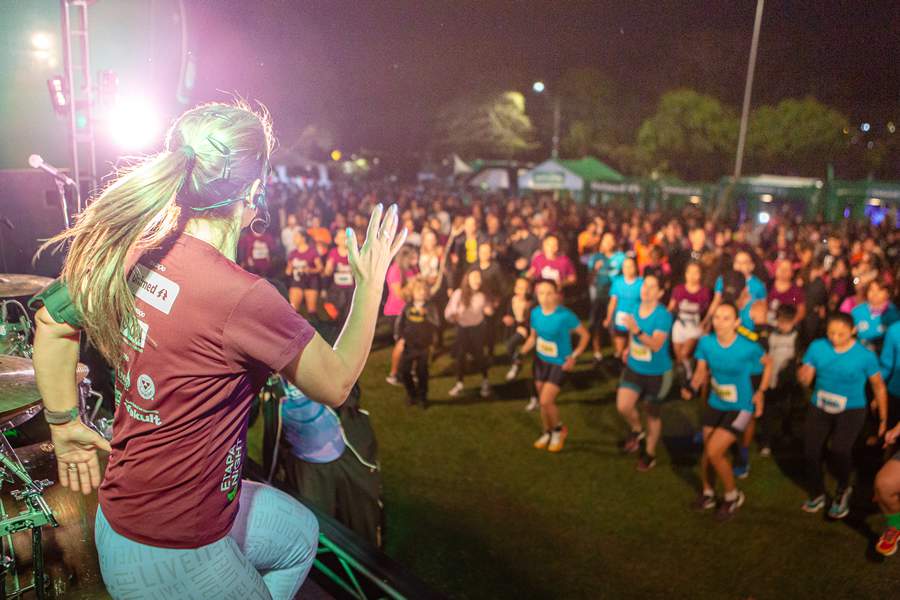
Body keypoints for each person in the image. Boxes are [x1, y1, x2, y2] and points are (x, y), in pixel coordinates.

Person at [30, 102, 406, 599]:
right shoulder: (241, 296)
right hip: (173, 554)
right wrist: (371, 284)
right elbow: (336, 384)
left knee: (298, 535)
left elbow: (51, 320)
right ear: (254, 191)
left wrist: (63, 423)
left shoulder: (135, 248)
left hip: (127, 520)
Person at [684, 303, 770, 520]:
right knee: (707, 452)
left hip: (741, 407)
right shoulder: (706, 343)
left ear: (736, 322)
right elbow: (701, 371)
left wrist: (760, 391)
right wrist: (692, 386)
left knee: (714, 451)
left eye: (726, 318)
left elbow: (768, 363)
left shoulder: (748, 346)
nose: (719, 322)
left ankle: (733, 496)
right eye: (717, 317)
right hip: (716, 402)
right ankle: (709, 493)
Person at [798, 312, 888, 519]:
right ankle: (817, 492)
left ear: (853, 331)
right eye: (831, 333)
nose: (835, 338)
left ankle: (842, 490)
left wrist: (883, 420)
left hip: (851, 409)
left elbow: (878, 386)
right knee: (811, 451)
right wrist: (803, 375)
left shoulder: (865, 355)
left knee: (839, 450)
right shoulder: (817, 347)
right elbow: (806, 377)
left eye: (841, 334)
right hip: (819, 406)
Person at [519, 279, 589, 452]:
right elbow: (533, 338)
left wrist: (574, 356)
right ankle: (547, 432)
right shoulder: (535, 313)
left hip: (559, 363)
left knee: (545, 400)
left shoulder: (565, 315)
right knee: (543, 403)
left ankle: (558, 431)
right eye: (541, 293)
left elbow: (585, 336)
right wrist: (521, 353)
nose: (545, 297)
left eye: (549, 293)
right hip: (541, 361)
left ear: (557, 294)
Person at [616, 274, 674, 471]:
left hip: (658, 373)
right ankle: (636, 430)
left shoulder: (663, 315)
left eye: (652, 287)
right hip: (634, 367)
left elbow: (657, 345)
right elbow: (633, 336)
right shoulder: (634, 308)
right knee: (623, 406)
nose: (646, 290)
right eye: (644, 286)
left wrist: (637, 330)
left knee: (652, 414)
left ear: (659, 293)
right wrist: (628, 349)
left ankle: (649, 453)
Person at [445, 269, 494, 398]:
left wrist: (489, 310)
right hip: (463, 329)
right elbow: (448, 311)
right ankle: (459, 384)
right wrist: (453, 316)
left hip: (478, 328)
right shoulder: (459, 293)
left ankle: (485, 381)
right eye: (474, 277)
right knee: (461, 356)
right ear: (467, 279)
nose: (477, 280)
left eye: (479, 277)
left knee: (479, 355)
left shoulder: (483, 295)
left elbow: (488, 309)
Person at [396, 278, 440, 407]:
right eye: (418, 290)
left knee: (422, 372)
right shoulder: (408, 306)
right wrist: (400, 337)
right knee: (404, 371)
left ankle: (422, 396)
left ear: (427, 293)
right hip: (409, 345)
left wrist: (427, 315)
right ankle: (411, 394)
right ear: (412, 292)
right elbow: (401, 323)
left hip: (424, 346)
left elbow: (437, 323)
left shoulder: (431, 307)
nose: (421, 293)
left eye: (423, 290)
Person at [668, 261, 711, 381]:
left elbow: (707, 312)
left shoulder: (704, 291)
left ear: (701, 274)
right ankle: (685, 378)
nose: (692, 276)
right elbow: (671, 307)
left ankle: (689, 379)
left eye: (696, 273)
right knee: (679, 357)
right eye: (689, 272)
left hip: (694, 327)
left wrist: (706, 325)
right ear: (685, 274)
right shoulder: (678, 289)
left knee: (684, 353)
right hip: (679, 326)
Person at [587, 232, 625, 363]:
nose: (607, 243)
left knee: (614, 326)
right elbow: (589, 279)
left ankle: (617, 354)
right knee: (595, 325)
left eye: (610, 240)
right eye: (605, 240)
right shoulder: (596, 257)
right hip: (600, 295)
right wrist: (595, 270)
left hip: (616, 297)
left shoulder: (621, 257)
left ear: (615, 242)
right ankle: (597, 354)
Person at [384, 246, 418, 386]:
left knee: (412, 343)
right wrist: (413, 286)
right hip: (396, 312)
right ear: (405, 258)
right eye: (413, 258)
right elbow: (399, 294)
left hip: (409, 311)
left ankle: (408, 372)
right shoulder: (395, 271)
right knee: (402, 343)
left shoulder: (412, 269)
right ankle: (393, 374)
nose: (416, 261)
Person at [604, 256, 643, 362]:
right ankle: (619, 362)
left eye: (630, 266)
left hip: (636, 320)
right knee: (619, 347)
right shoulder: (617, 282)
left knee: (632, 348)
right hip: (620, 320)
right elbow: (613, 302)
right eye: (625, 266)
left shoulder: (642, 283)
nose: (628, 269)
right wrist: (608, 318)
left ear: (635, 267)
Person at [851, 278, 899, 352]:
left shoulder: (894, 315)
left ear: (888, 293)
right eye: (871, 290)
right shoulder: (856, 311)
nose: (874, 293)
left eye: (880, 290)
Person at [286, 229, 323, 315]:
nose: (294, 239)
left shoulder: (312, 251)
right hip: (297, 281)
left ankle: (314, 327)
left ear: (303, 238)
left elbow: (320, 268)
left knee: (311, 311)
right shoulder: (293, 253)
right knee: (293, 311)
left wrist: (310, 270)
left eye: (296, 237)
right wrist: (289, 270)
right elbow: (288, 271)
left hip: (311, 281)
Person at [322, 227, 355, 321]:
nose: (344, 240)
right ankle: (336, 323)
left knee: (348, 313)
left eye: (345, 237)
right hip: (337, 287)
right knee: (330, 306)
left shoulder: (354, 252)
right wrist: (329, 269)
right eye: (341, 238)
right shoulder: (333, 252)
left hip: (351, 288)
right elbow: (327, 271)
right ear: (336, 240)